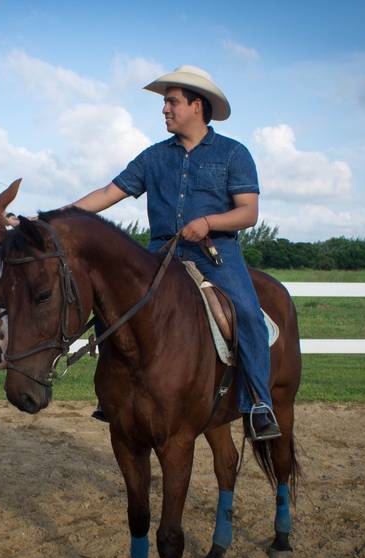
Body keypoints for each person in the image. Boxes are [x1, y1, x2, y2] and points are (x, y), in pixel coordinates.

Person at [66, 65, 280, 440]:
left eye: (171, 102)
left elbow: (249, 212)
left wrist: (209, 222)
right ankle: (112, 392)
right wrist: (58, 217)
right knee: (110, 302)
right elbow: (105, 194)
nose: (164, 109)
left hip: (215, 254)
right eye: (165, 102)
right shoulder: (153, 158)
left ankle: (258, 403)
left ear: (197, 105)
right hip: (159, 255)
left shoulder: (234, 154)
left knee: (247, 313)